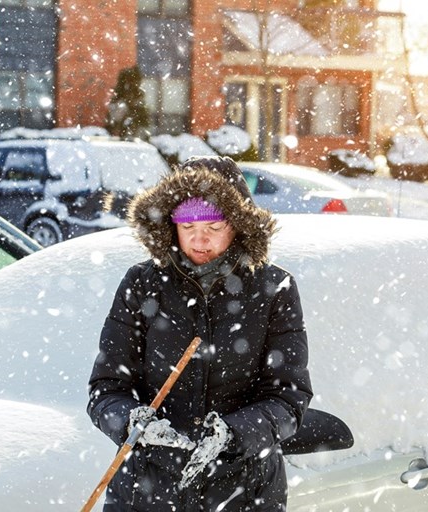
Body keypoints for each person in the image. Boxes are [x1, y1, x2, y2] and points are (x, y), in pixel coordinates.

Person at [87, 155, 313, 511]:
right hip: (146, 494)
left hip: (244, 494)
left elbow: (288, 398)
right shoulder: (143, 284)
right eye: (187, 227)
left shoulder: (273, 288)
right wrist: (131, 422)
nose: (200, 241)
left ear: (238, 224)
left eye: (214, 227)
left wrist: (233, 434)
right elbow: (106, 388)